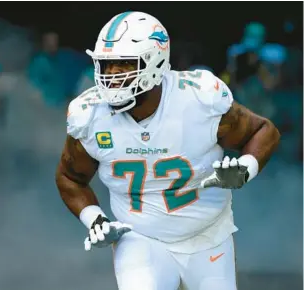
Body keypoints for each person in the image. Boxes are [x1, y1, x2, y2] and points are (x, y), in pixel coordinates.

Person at [55, 12, 280, 290]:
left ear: (154, 61)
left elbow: (264, 130)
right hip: (140, 238)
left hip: (207, 235)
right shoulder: (90, 115)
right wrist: (95, 219)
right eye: (106, 64)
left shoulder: (197, 100)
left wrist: (245, 168)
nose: (110, 74)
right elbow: (70, 177)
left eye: (122, 64)